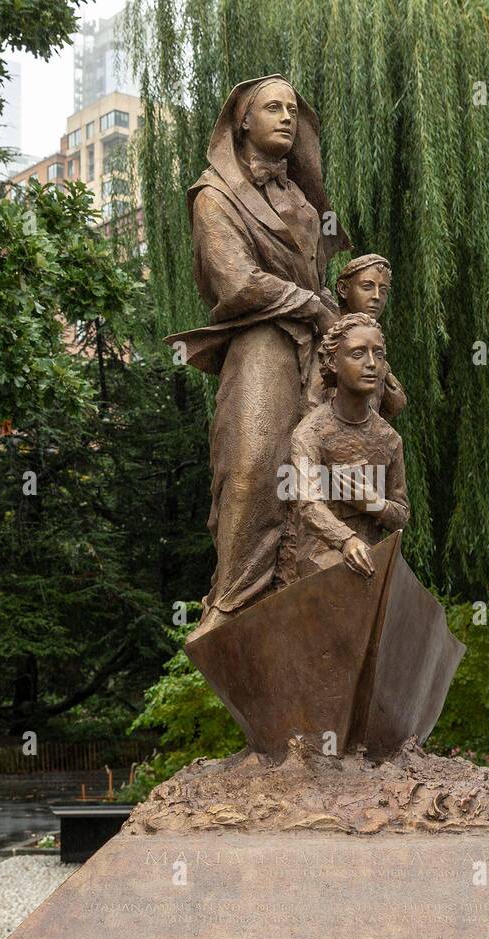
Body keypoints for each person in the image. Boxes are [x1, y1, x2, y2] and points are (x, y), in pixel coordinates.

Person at [166, 75, 351, 640]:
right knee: (252, 467)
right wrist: (311, 308)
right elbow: (237, 283)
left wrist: (340, 313)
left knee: (326, 473)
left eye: (293, 110)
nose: (287, 118)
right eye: (273, 108)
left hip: (317, 352)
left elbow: (323, 278)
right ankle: (232, 604)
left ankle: (319, 587)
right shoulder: (214, 196)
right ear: (242, 121)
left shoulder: (304, 200)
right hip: (262, 344)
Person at [289, 314, 409, 580]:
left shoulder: (389, 438)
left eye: (378, 354)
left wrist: (373, 504)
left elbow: (401, 515)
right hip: (322, 555)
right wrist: (346, 540)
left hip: (374, 555)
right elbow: (308, 504)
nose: (371, 364)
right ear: (333, 362)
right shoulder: (310, 433)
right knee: (348, 583)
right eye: (358, 354)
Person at [329, 253, 406, 420]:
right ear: (343, 289)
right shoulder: (332, 341)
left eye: (383, 290)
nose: (376, 296)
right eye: (367, 286)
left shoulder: (374, 339)